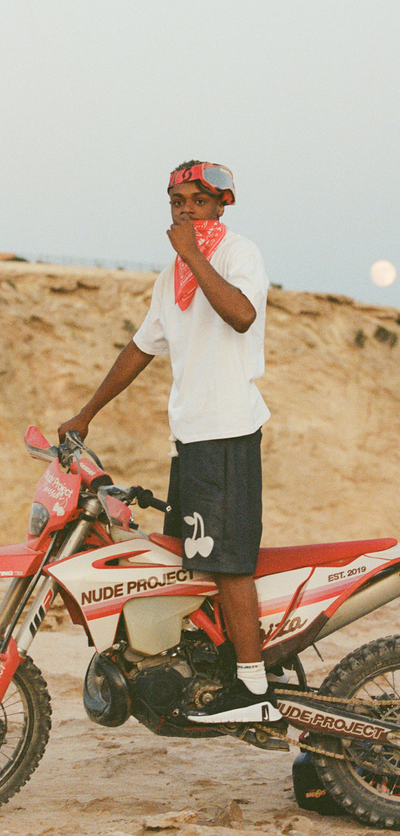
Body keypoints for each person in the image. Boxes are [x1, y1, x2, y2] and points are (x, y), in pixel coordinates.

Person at [58, 160, 282, 727]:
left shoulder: (238, 254)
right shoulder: (172, 278)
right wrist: (87, 412)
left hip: (228, 432)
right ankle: (209, 668)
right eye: (176, 203)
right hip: (191, 439)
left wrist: (193, 255)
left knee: (229, 563)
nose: (185, 212)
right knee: (193, 558)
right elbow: (141, 348)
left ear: (223, 204)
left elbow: (241, 314)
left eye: (197, 201)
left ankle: (254, 690)